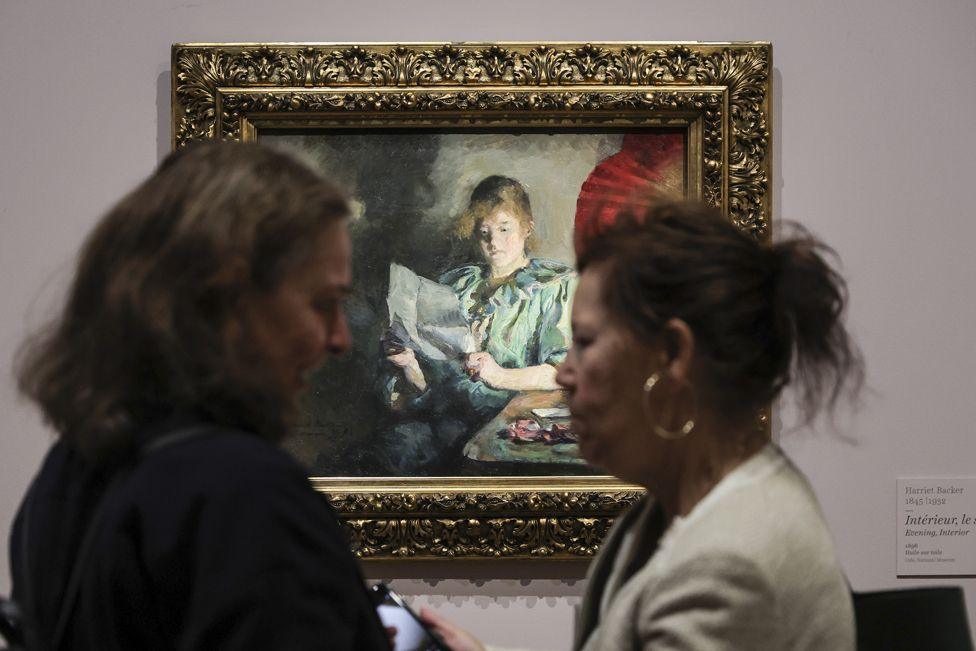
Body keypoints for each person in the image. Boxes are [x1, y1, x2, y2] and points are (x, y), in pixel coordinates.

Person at [420, 200, 863, 650]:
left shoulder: (730, 565)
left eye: (586, 342)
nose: (566, 373)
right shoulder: (684, 498)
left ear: (672, 357)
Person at [8, 142, 391, 649]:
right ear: (227, 301)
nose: (340, 338)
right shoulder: (245, 494)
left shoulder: (68, 471)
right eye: (322, 303)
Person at [381, 175, 576, 474]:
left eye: (504, 229)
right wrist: (409, 364)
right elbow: (432, 388)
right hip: (443, 420)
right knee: (393, 451)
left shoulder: (555, 286)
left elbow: (562, 373)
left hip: (509, 421)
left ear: (527, 228)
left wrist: (498, 375)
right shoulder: (455, 285)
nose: (493, 242)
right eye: (484, 232)